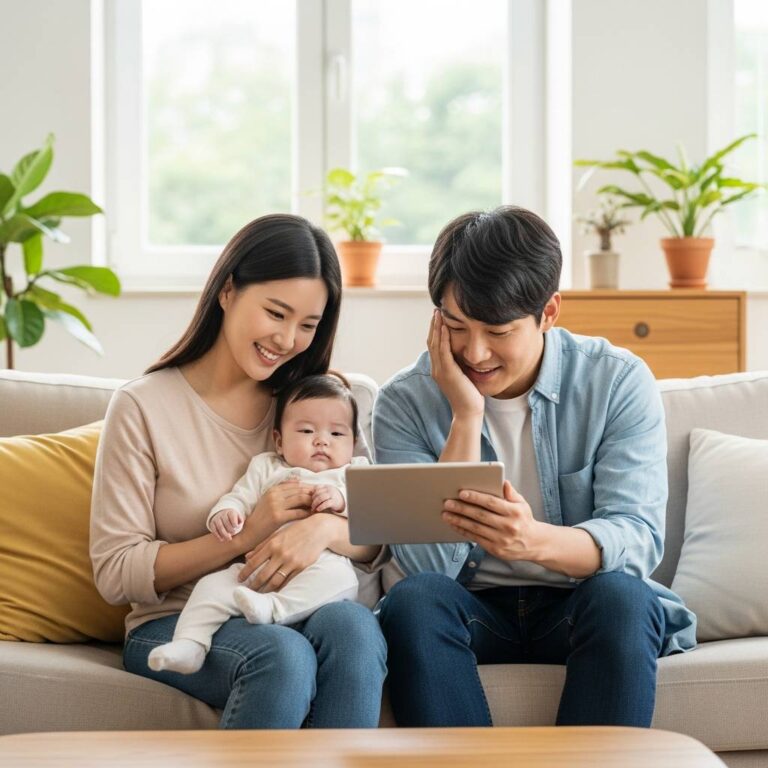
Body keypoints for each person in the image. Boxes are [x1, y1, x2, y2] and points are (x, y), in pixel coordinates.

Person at [372, 205, 696, 728]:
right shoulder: (404, 402)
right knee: (414, 602)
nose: (474, 352)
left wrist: (532, 541)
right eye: (456, 326)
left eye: (497, 331)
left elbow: (636, 540)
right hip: (471, 611)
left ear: (549, 312)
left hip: (576, 606)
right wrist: (465, 414)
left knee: (623, 598)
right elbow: (426, 567)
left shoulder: (615, 382)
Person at [90, 214, 386, 729]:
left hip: (304, 601)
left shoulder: (324, 408)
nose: (289, 339)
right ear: (228, 290)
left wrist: (323, 528)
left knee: (355, 630)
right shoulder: (142, 406)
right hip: (177, 620)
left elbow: (377, 546)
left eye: (308, 325)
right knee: (281, 656)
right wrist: (247, 535)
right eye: (276, 312)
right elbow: (117, 572)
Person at [146, 374, 366, 675]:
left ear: (353, 444)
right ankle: (190, 644)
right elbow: (240, 496)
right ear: (279, 440)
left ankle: (274, 610)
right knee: (212, 586)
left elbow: (372, 518)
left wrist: (341, 500)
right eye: (305, 430)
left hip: (321, 568)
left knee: (341, 580)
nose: (321, 440)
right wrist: (226, 514)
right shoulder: (267, 467)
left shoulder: (352, 473)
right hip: (258, 569)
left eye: (337, 434)